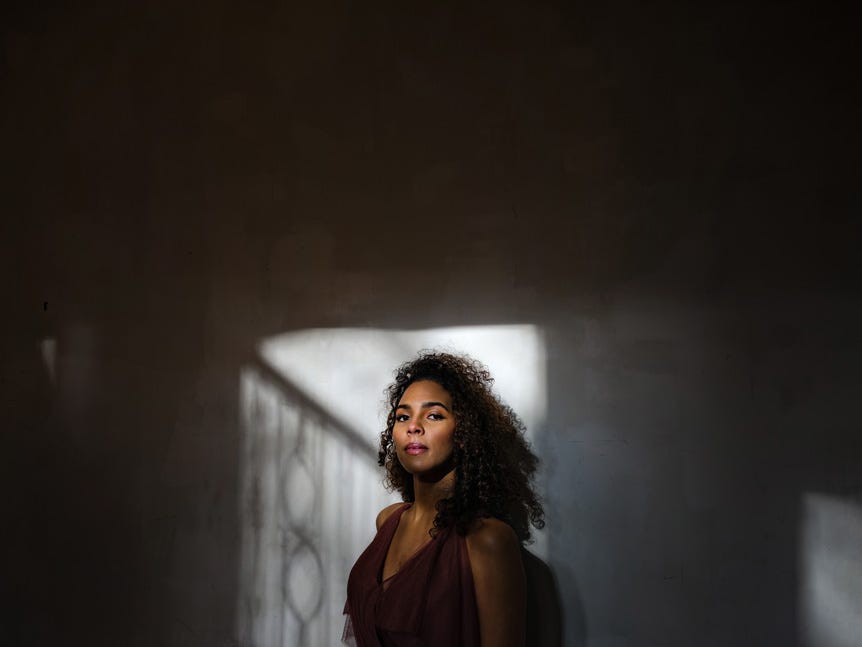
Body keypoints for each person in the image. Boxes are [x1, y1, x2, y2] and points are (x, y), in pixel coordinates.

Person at [344, 351, 544, 646]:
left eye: (434, 415)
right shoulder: (388, 520)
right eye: (403, 416)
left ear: (464, 432)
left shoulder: (487, 539)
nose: (414, 426)